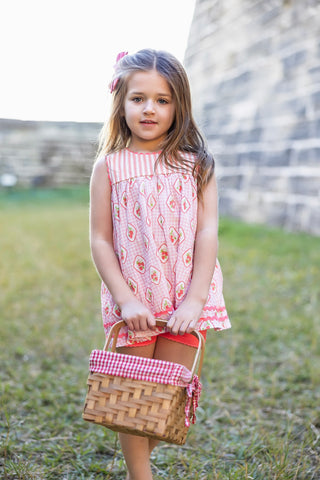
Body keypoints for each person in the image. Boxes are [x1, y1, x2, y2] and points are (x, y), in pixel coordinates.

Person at [89, 49, 231, 480]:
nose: (150, 108)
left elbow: (207, 233)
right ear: (122, 103)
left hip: (185, 297)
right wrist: (125, 299)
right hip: (135, 299)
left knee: (167, 395)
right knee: (131, 392)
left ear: (178, 106)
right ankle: (140, 475)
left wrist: (196, 298)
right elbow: (100, 238)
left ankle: (141, 460)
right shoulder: (110, 167)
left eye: (162, 100)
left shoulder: (196, 165)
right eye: (138, 98)